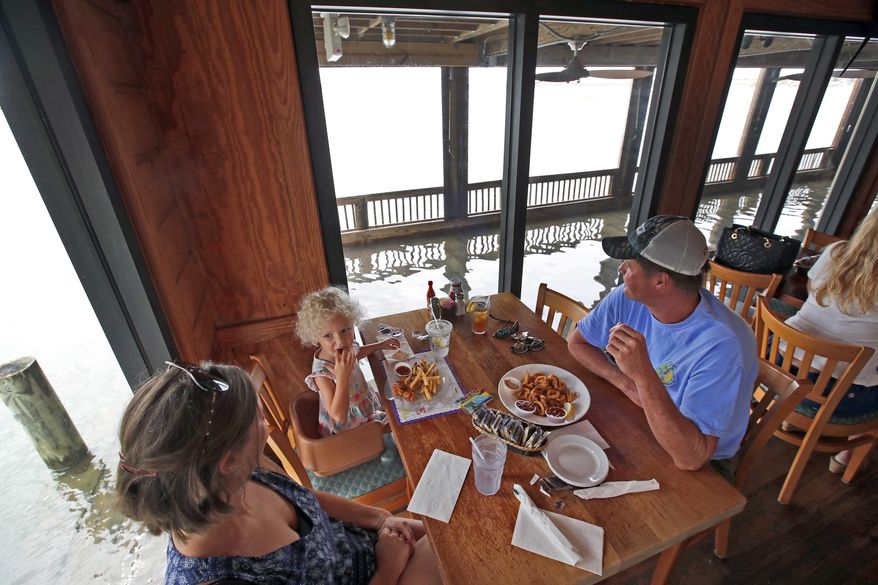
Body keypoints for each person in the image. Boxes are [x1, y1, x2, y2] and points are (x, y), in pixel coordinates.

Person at [116, 361, 440, 585]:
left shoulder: (242, 474)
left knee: (447, 533)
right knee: (454, 553)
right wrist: (387, 570)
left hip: (369, 546)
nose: (268, 426)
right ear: (228, 461)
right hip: (381, 573)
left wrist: (380, 518)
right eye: (259, 420)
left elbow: (308, 499)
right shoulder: (218, 577)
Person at [567, 215, 758, 479]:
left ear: (660, 281)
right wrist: (625, 383)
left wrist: (642, 374)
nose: (621, 268)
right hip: (640, 416)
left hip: (704, 461)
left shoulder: (721, 345)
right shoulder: (627, 296)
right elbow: (577, 342)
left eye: (629, 265)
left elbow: (691, 457)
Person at [783, 210, 878, 474]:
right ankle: (846, 456)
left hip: (780, 367)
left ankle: (789, 417)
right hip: (836, 396)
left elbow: (813, 290)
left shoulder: (835, 252)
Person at [296, 287, 400, 437]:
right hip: (347, 429)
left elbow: (357, 353)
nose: (340, 341)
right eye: (328, 335)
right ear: (315, 337)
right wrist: (342, 377)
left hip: (363, 405)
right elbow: (338, 416)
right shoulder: (322, 374)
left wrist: (380, 345)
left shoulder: (347, 349)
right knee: (399, 424)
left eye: (345, 330)